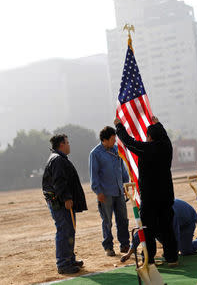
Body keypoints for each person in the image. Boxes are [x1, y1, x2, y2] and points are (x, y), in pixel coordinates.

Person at [114, 116, 179, 267]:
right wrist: (158, 124)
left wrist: (119, 127)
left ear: (149, 137)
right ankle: (172, 258)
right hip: (166, 196)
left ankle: (149, 260)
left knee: (147, 229)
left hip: (150, 197)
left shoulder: (147, 148)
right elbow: (165, 136)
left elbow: (129, 142)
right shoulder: (167, 146)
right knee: (167, 228)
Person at [42, 134, 87, 274]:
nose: (69, 145)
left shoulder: (58, 158)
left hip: (61, 202)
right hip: (60, 203)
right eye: (67, 142)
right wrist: (67, 198)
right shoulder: (57, 160)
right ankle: (63, 263)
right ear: (61, 145)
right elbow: (59, 181)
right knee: (64, 230)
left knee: (69, 230)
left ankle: (70, 259)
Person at [120, 199, 197, 262]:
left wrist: (172, 253)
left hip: (187, 220)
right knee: (155, 234)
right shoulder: (145, 215)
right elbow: (139, 235)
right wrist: (129, 253)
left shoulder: (168, 215)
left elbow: (175, 234)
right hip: (164, 225)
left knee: (185, 251)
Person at [89, 126, 130, 257]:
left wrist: (125, 183)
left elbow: (122, 168)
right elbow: (94, 174)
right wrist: (98, 191)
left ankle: (125, 244)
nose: (115, 141)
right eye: (112, 139)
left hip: (119, 191)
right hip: (105, 193)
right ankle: (108, 247)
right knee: (107, 221)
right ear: (104, 140)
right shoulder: (95, 154)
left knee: (123, 219)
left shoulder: (117, 150)